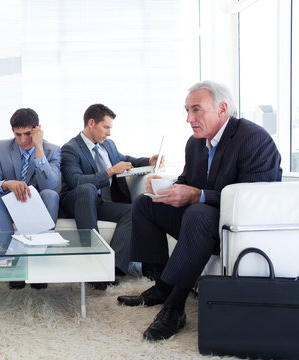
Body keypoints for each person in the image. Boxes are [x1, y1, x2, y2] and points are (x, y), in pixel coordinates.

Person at [117, 80, 282, 341]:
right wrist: (166, 188)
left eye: (196, 110)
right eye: (186, 110)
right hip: (199, 220)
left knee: (197, 213)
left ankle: (175, 307)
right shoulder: (195, 143)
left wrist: (197, 195)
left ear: (222, 109)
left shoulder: (254, 139)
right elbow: (187, 180)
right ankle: (161, 286)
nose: (188, 118)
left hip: (233, 227)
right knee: (145, 203)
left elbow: (253, 200)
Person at [60, 104, 160, 289]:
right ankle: (92, 262)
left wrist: (148, 161)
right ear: (91, 123)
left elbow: (124, 159)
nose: (109, 133)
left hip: (100, 203)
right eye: (106, 127)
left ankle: (110, 268)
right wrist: (110, 171)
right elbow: (76, 181)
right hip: (77, 201)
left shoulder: (108, 145)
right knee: (87, 189)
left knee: (133, 210)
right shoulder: (71, 148)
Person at [0, 108, 61, 290]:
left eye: (28, 134)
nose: (23, 140)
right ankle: (11, 262)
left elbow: (50, 185)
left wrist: (39, 148)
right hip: (8, 206)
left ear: (37, 130)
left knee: (51, 195)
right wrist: (6, 184)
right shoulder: (0, 147)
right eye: (18, 135)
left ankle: (37, 264)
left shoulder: (52, 150)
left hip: (37, 206)